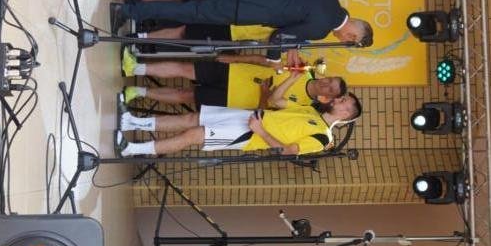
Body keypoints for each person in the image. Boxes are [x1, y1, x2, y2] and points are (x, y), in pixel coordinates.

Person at [108, 0, 374, 52]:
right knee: (190, 12)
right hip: (248, 9)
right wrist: (278, 55)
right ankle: (128, 12)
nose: (343, 41)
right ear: (351, 36)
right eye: (348, 42)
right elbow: (280, 36)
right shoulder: (321, 30)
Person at [114, 92, 362, 159]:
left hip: (250, 134)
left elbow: (287, 151)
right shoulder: (311, 110)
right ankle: (132, 121)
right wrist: (293, 76)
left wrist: (260, 131)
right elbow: (276, 100)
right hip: (251, 116)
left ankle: (132, 149)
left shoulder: (322, 138)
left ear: (346, 115)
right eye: (342, 98)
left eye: (343, 102)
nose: (338, 99)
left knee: (193, 134)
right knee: (192, 118)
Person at [120, 52, 347, 111]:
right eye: (330, 80)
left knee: (184, 96)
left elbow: (269, 107)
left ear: (327, 97)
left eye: (330, 89)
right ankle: (135, 67)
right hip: (234, 72)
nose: (326, 84)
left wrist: (265, 93)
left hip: (232, 99)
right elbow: (266, 62)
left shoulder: (303, 107)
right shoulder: (303, 68)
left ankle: (136, 92)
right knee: (185, 69)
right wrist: (235, 58)